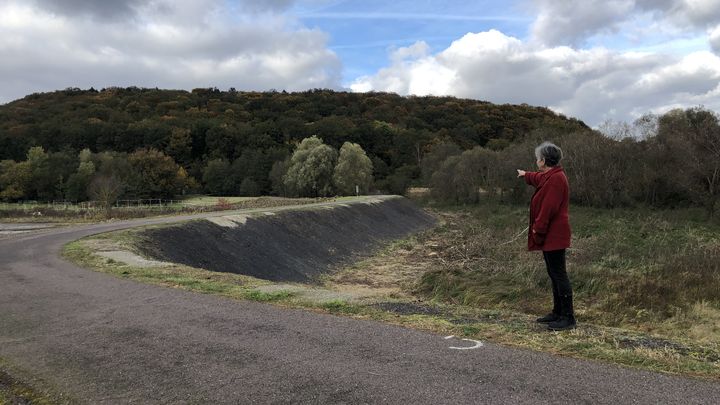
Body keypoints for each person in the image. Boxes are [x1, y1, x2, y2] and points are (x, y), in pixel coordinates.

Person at [516, 142, 575, 331]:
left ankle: (568, 317)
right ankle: (557, 312)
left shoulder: (556, 179)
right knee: (553, 273)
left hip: (553, 234)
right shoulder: (552, 175)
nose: (536, 161)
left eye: (537, 158)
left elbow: (547, 209)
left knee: (559, 274)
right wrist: (526, 175)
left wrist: (537, 230)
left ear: (543, 160)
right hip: (551, 234)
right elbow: (539, 179)